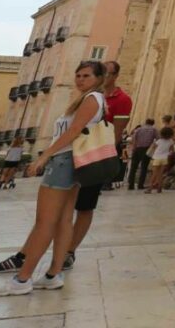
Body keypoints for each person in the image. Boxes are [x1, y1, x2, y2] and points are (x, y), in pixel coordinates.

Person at [0, 60, 107, 296]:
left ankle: (22, 279)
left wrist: (44, 156)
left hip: (63, 161)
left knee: (45, 222)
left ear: (99, 78)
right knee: (63, 220)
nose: (81, 79)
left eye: (87, 76)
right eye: (78, 75)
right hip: (73, 162)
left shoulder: (92, 99)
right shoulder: (89, 99)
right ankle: (53, 274)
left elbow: (73, 131)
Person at [62, 60, 131, 272]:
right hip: (71, 156)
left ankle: (69, 250)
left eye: (108, 73)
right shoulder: (84, 97)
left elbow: (116, 133)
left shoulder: (122, 100)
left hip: (94, 158)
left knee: (85, 206)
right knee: (64, 206)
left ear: (114, 76)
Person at [127, 118, 159, 189]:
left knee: (133, 167)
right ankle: (140, 185)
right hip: (146, 149)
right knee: (144, 168)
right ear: (153, 123)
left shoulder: (139, 129)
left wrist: (134, 147)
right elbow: (158, 139)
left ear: (145, 122)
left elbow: (133, 139)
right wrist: (153, 147)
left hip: (137, 149)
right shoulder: (154, 129)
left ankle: (131, 185)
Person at [145, 125, 175, 192]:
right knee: (160, 174)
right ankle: (159, 188)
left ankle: (150, 188)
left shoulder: (159, 141)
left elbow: (153, 148)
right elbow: (172, 151)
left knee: (154, 174)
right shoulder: (171, 141)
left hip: (157, 158)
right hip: (164, 159)